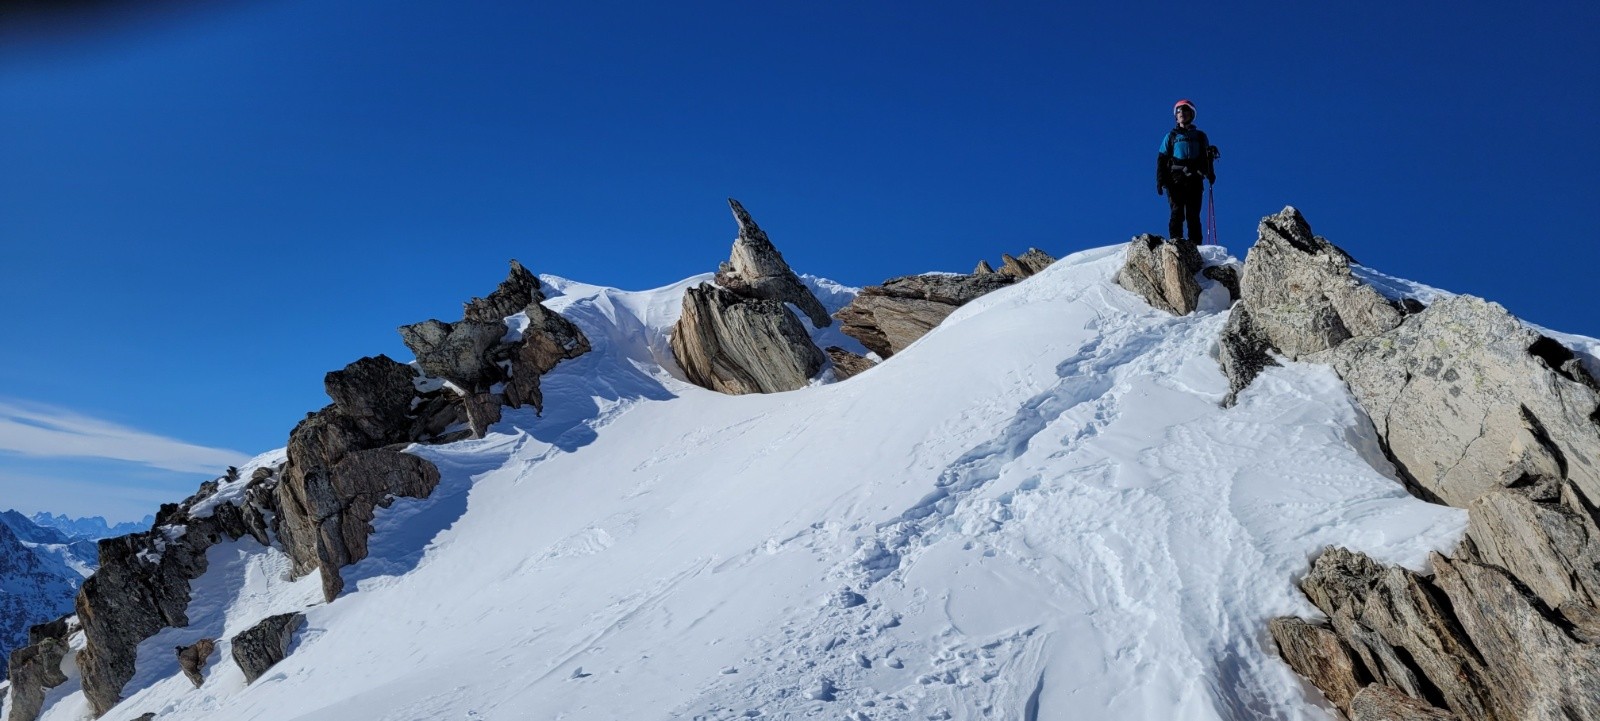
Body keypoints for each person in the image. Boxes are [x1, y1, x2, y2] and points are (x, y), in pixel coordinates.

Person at [1156, 99, 1215, 243]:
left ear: (1191, 114)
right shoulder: (1170, 136)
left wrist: (1210, 172)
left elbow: (1207, 157)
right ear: (1176, 116)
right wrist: (1160, 180)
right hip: (1175, 179)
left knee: (1193, 214)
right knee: (1177, 212)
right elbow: (1162, 160)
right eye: (1179, 111)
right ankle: (1176, 243)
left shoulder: (1201, 136)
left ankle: (1196, 248)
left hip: (1195, 178)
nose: (1181, 113)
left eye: (1185, 110)